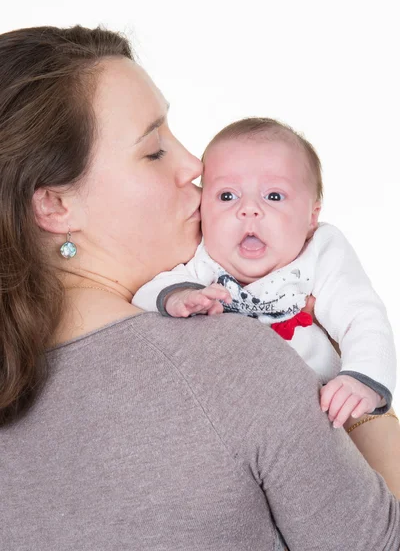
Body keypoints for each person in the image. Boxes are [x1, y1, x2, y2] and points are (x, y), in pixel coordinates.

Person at [0, 25, 399, 551]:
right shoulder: (231, 360)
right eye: (154, 150)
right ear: (54, 205)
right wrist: (365, 400)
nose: (195, 166)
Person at [133, 118, 396, 429]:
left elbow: (362, 316)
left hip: (319, 411)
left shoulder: (320, 251)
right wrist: (180, 296)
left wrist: (361, 379)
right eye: (227, 196)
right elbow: (148, 293)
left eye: (273, 196)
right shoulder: (204, 260)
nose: (249, 210)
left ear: (312, 216)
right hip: (231, 420)